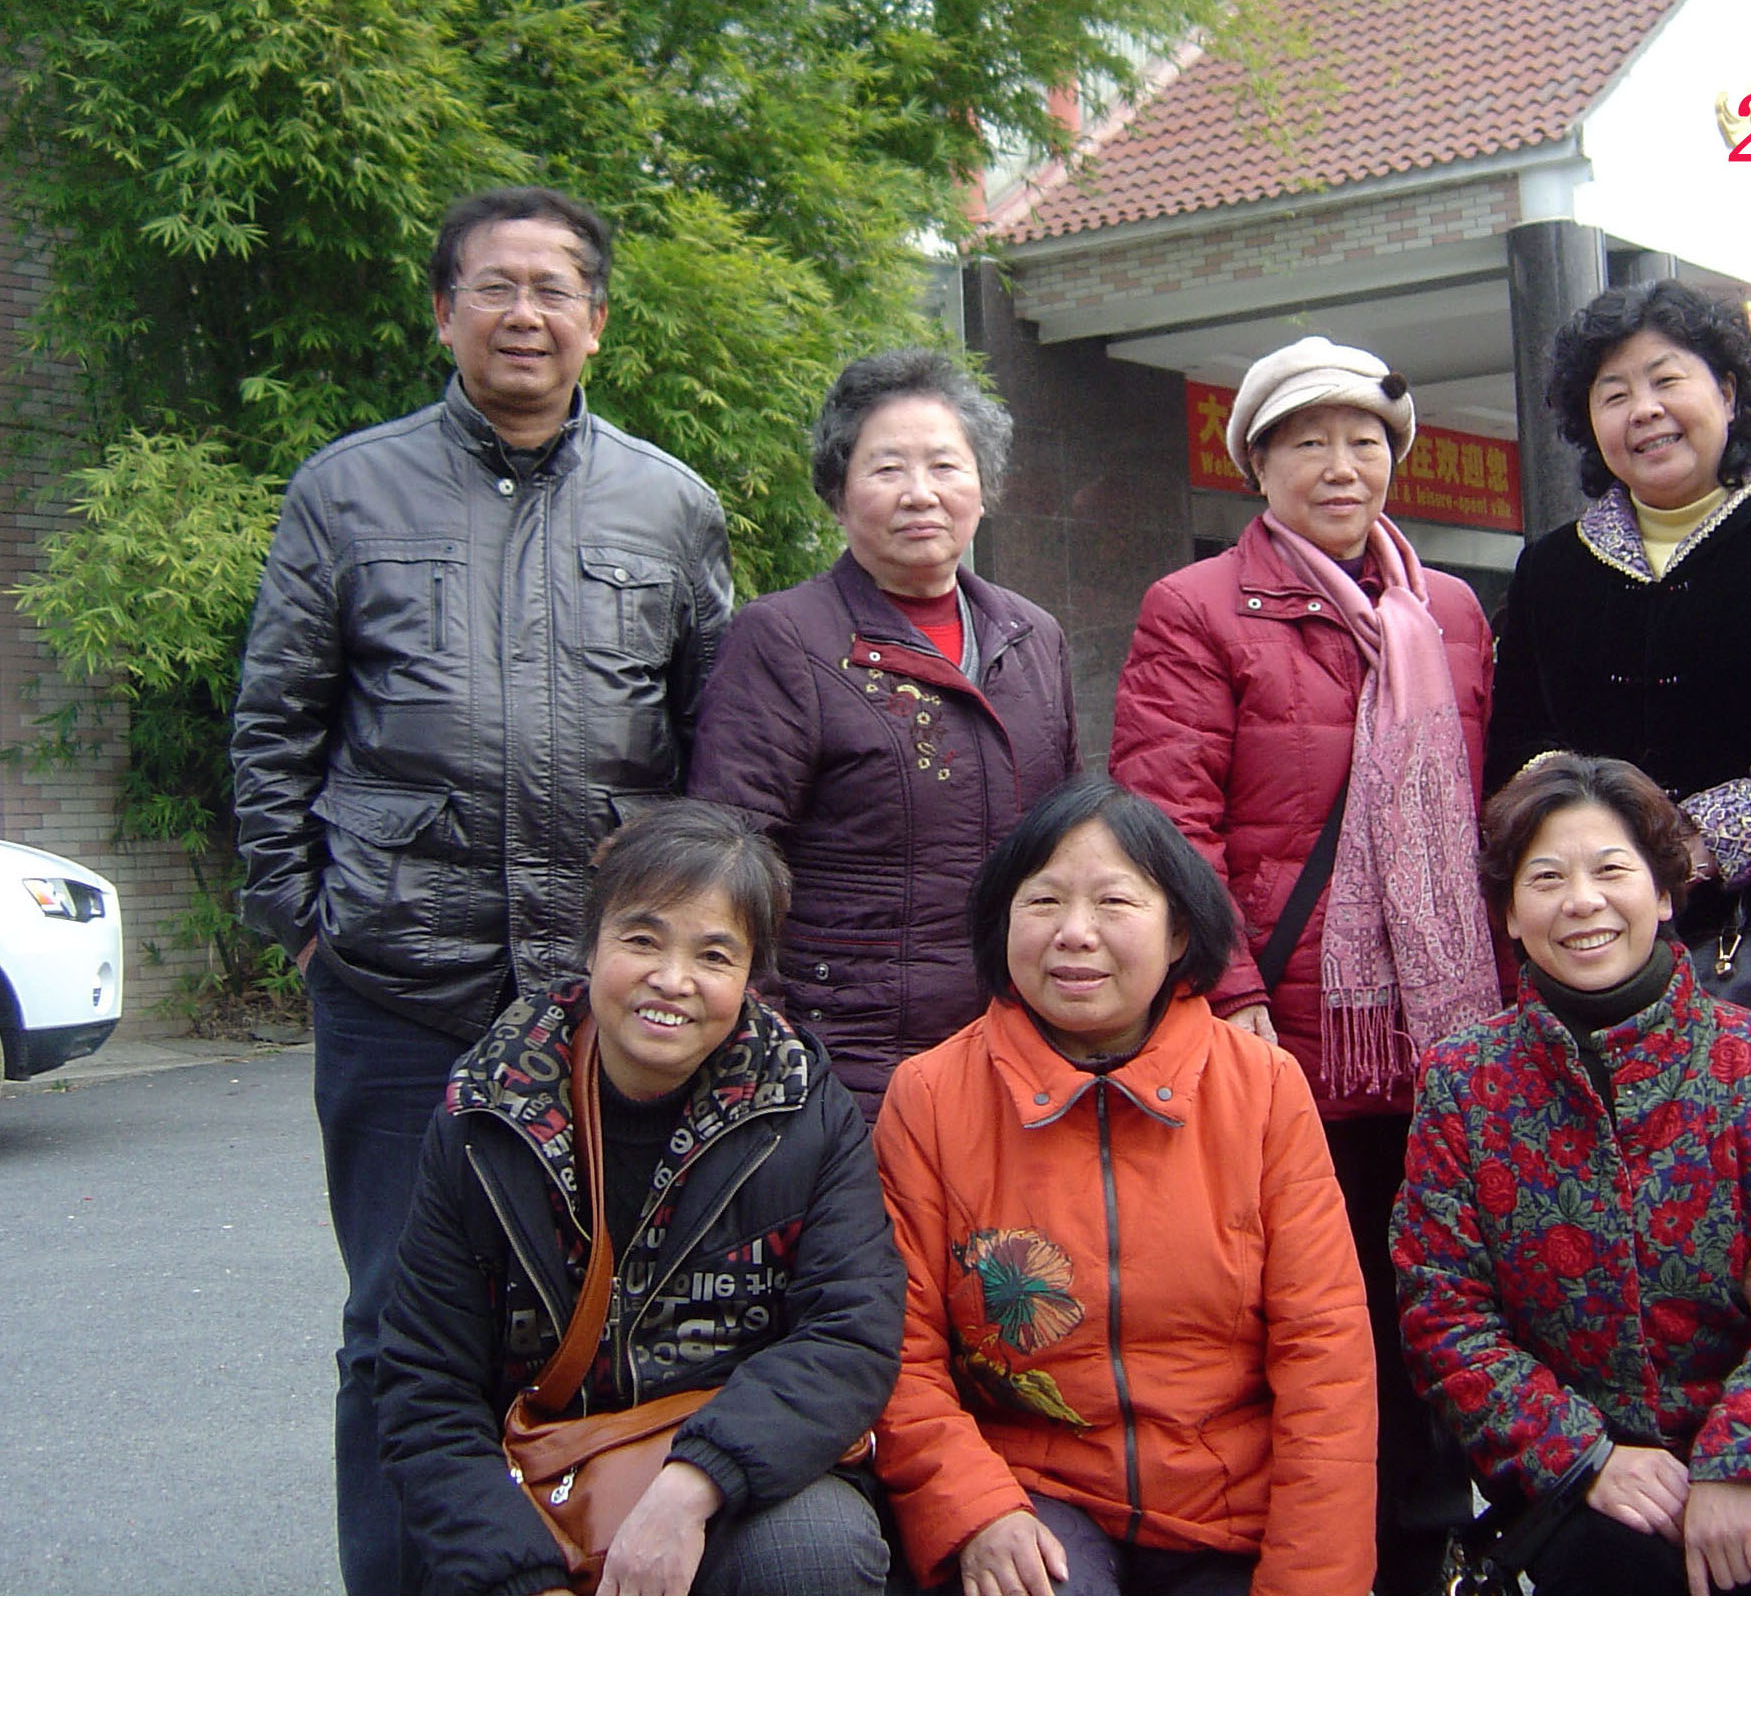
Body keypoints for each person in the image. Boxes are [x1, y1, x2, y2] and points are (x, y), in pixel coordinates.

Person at [231, 185, 732, 1593]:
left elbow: (711, 741)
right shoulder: (348, 488)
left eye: (553, 288)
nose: (525, 313)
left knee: (592, 1307)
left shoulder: (669, 503)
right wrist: (302, 917)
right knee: (398, 1316)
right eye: (494, 287)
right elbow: (275, 719)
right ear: (444, 311)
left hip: (599, 992)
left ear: (597, 321)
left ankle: (551, 1586)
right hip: (398, 977)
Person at [1108, 335, 1495, 1592]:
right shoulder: (1197, 605)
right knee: (1308, 1304)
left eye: (1365, 439)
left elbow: (1477, 816)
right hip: (1282, 1024)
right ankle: (1312, 1560)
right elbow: (1169, 822)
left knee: (1433, 1288)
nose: (1342, 464)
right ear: (1259, 463)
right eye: (1308, 440)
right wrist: (1229, 991)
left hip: (1438, 1029)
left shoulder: (1450, 612)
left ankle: (1424, 1548)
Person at [1392, 752, 1751, 1596]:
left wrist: (1739, 1455)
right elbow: (1443, 1317)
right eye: (1546, 878)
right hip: (1586, 1465)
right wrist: (1585, 1455)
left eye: (1610, 870)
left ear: (1663, 893)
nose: (1581, 901)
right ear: (1510, 912)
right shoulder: (1464, 1084)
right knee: (1612, 1564)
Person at [375, 802, 902, 1595]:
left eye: (714, 955)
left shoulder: (802, 1108)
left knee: (817, 1549)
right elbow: (425, 1381)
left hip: (730, 1473)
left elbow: (849, 1336)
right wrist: (523, 1578)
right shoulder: (487, 1113)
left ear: (750, 976)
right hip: (534, 1483)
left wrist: (693, 1484)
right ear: (591, 946)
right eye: (642, 940)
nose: (672, 980)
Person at [872, 776, 1376, 1595]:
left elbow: (1326, 1355)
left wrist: (1309, 1592)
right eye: (1043, 902)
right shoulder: (930, 1096)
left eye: (1114, 902)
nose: (1075, 934)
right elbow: (899, 1349)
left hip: (1234, 1508)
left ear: (1178, 932)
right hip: (1035, 1498)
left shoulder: (1262, 1088)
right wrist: (976, 1509)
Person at [688, 347, 1076, 1122]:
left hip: (1018, 1046)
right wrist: (766, 1047)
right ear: (837, 494)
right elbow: (728, 858)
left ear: (983, 486)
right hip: (844, 1058)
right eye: (886, 468)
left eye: (945, 465)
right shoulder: (783, 638)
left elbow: (1067, 838)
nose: (919, 493)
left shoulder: (1032, 636)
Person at [1485, 278, 1751, 894]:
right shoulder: (1550, 568)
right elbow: (1516, 743)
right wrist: (1606, 855)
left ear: (1727, 393)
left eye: (1666, 381)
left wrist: (1689, 855)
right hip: (1592, 904)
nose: (1644, 410)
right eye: (1614, 395)